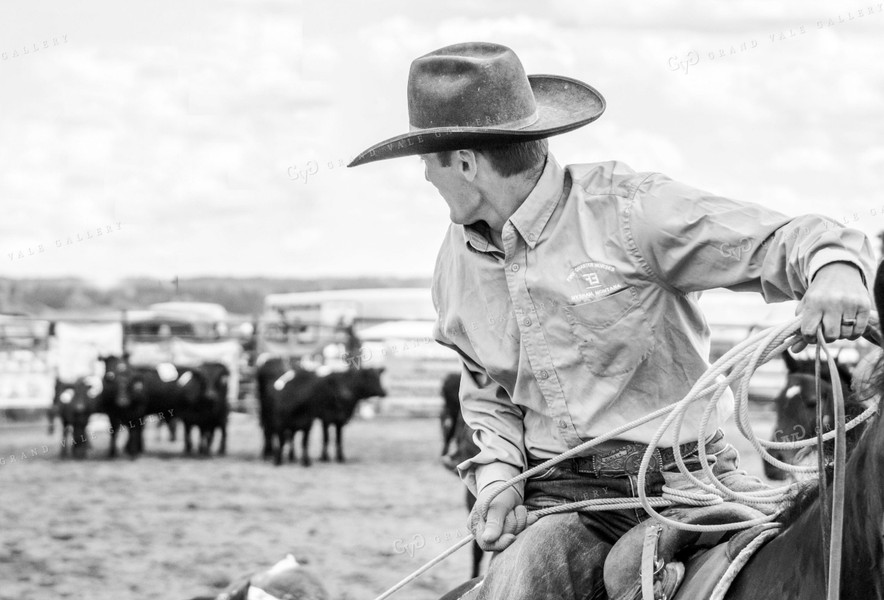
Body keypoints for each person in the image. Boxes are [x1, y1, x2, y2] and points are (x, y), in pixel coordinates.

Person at [348, 42, 874, 599]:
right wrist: (500, 475)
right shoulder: (455, 263)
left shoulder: (630, 211)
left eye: (426, 161)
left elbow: (786, 237)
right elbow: (488, 392)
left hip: (687, 482)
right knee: (523, 582)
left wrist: (834, 267)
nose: (425, 177)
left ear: (464, 163)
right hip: (563, 500)